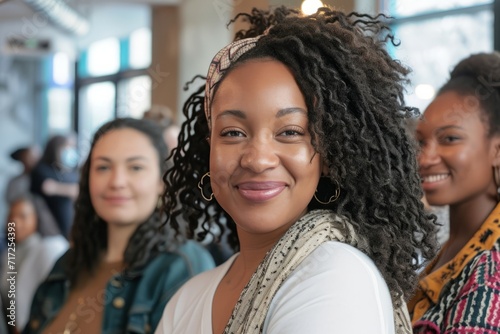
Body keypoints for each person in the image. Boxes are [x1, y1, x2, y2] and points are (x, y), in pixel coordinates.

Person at [156, 7, 437, 334]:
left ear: (330, 155)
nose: (257, 159)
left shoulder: (336, 276)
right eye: (233, 132)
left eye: (290, 132)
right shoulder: (188, 298)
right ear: (210, 148)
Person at [23, 118, 215, 334]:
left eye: (135, 167)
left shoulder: (182, 268)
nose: (117, 181)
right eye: (103, 167)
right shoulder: (68, 264)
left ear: (162, 181)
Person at [408, 52, 500, 332]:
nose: (425, 158)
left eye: (450, 138)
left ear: (497, 150)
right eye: (422, 141)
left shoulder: (491, 273)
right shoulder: (450, 249)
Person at [0, 194, 68, 333]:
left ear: (37, 217)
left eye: (22, 216)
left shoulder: (49, 249)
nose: (15, 223)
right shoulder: (9, 254)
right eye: (11, 217)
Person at [30, 134, 80, 238]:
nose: (71, 151)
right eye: (67, 147)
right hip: (47, 234)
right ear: (56, 148)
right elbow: (48, 187)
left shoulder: (69, 172)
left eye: (73, 147)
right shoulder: (42, 170)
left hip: (69, 231)